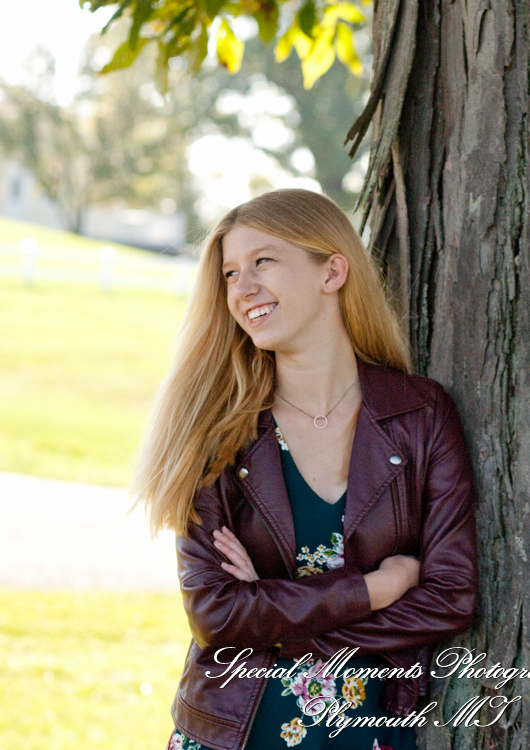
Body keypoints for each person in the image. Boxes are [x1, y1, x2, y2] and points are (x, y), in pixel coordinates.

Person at [132, 189, 478, 750]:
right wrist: (377, 587)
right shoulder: (214, 431)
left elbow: (449, 597)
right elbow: (217, 615)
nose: (242, 289)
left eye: (262, 261)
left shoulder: (419, 415)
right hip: (234, 733)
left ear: (333, 271)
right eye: (229, 273)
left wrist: (274, 619)